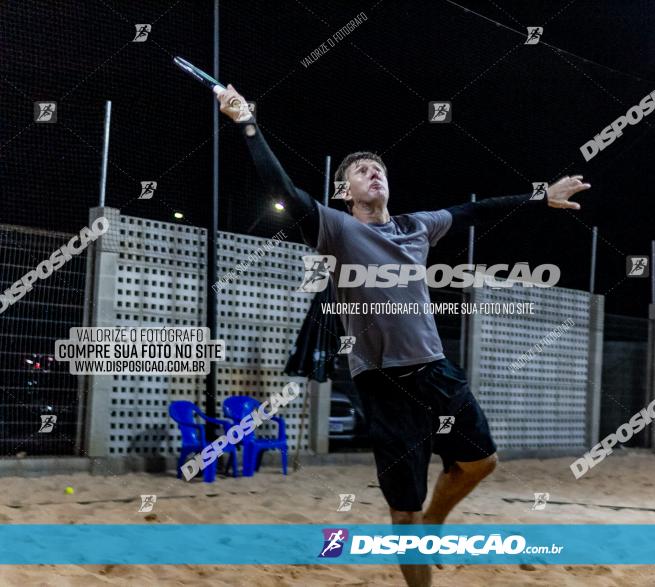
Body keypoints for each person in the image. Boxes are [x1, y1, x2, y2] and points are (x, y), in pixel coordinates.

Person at [217, 85, 590, 586]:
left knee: (482, 462)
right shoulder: (335, 229)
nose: (374, 173)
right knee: (403, 513)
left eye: (380, 169)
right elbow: (284, 192)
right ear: (344, 191)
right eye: (361, 171)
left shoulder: (417, 226)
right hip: (383, 384)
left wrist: (539, 197)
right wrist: (247, 124)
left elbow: (475, 211)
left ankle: (438, 519)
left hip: (434, 370)